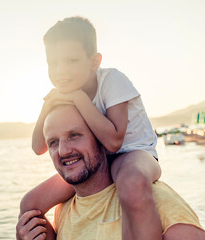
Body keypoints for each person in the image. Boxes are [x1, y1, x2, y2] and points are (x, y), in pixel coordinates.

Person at [21, 16, 162, 240]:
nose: (60, 70)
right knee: (30, 204)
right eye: (53, 63)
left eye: (71, 61)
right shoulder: (62, 92)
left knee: (131, 182)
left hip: (134, 155)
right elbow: (39, 147)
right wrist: (48, 104)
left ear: (94, 62)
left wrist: (78, 98)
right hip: (98, 164)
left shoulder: (112, 81)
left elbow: (114, 141)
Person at [16, 105, 205, 240]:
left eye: (74, 136)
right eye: (53, 142)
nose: (63, 151)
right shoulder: (63, 210)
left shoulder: (154, 200)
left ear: (102, 141)